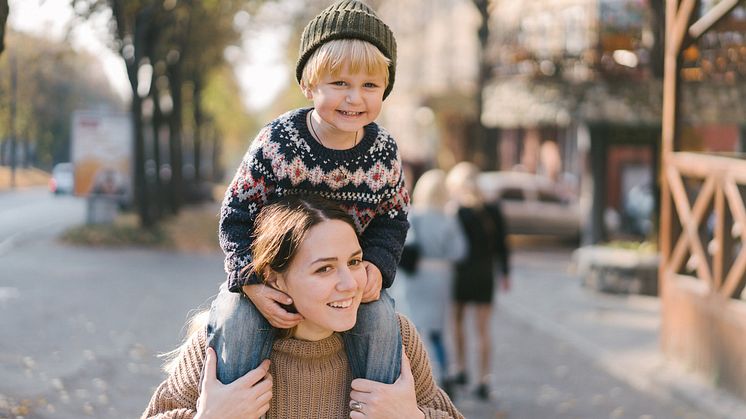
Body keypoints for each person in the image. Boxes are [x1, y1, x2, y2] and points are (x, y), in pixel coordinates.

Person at [210, 0, 409, 389]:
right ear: (308, 85)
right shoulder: (278, 142)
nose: (354, 98)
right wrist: (250, 281)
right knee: (236, 320)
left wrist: (375, 266)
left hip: (344, 277)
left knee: (383, 320)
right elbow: (235, 214)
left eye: (369, 85)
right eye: (340, 84)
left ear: (385, 89)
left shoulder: (384, 152)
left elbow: (393, 217)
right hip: (274, 276)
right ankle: (234, 404)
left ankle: (379, 405)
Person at [142, 196, 463, 419]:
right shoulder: (222, 343)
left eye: (353, 261)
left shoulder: (395, 337)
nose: (350, 283)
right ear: (275, 279)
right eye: (324, 269)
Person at [445, 162, 511, 401]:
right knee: (483, 329)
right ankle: (484, 379)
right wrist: (505, 273)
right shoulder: (493, 208)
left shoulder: (456, 211)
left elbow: (449, 246)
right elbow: (503, 244)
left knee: (458, 322)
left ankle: (461, 368)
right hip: (485, 273)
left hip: (461, 273)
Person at [401, 169, 466, 389]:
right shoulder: (449, 219)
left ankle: (412, 375)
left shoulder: (414, 215)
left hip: (417, 275)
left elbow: (406, 243)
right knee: (437, 329)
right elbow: (459, 251)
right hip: (441, 276)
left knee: (414, 326)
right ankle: (445, 372)